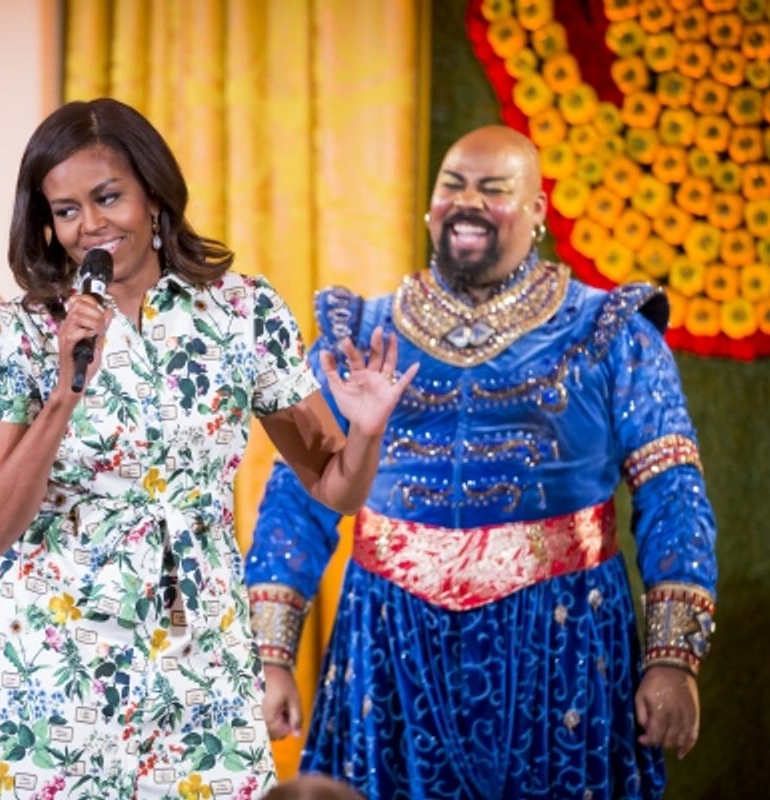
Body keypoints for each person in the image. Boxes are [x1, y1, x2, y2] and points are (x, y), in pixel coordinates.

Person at [0, 97, 417, 799]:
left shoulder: (242, 312)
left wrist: (369, 430)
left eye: (109, 197)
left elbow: (334, 486)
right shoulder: (18, 333)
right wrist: (64, 391)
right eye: (67, 209)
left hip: (200, 655)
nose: (91, 226)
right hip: (53, 664)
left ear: (155, 194)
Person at [246, 125, 719, 800]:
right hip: (390, 644)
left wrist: (674, 660)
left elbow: (674, 496)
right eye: (453, 186)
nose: (469, 203)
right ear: (429, 207)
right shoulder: (358, 333)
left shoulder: (610, 333)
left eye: (495, 190)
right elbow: (300, 496)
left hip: (564, 646)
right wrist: (270, 656)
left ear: (538, 213)